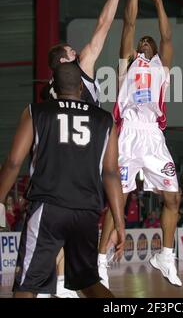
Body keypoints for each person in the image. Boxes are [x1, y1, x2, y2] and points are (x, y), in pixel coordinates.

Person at [40, 0, 131, 297]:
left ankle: (65, 282)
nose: (77, 50)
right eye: (70, 50)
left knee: (59, 223)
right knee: (77, 224)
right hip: (86, 164)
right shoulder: (79, 70)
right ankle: (73, 280)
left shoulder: (44, 95)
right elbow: (104, 25)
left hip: (58, 170)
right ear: (65, 60)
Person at [0, 63, 125, 298]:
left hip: (48, 208)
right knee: (88, 283)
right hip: (87, 211)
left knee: (28, 285)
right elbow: (111, 173)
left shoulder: (36, 112)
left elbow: (13, 162)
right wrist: (119, 223)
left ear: (53, 87)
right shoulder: (104, 119)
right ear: (81, 87)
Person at [98, 0, 182, 287]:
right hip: (128, 135)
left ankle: (165, 256)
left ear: (156, 52)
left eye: (150, 43)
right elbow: (129, 22)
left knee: (173, 198)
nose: (145, 43)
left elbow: (167, 34)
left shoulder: (162, 69)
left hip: (154, 138)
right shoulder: (125, 68)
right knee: (118, 197)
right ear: (134, 52)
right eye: (141, 43)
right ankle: (100, 260)